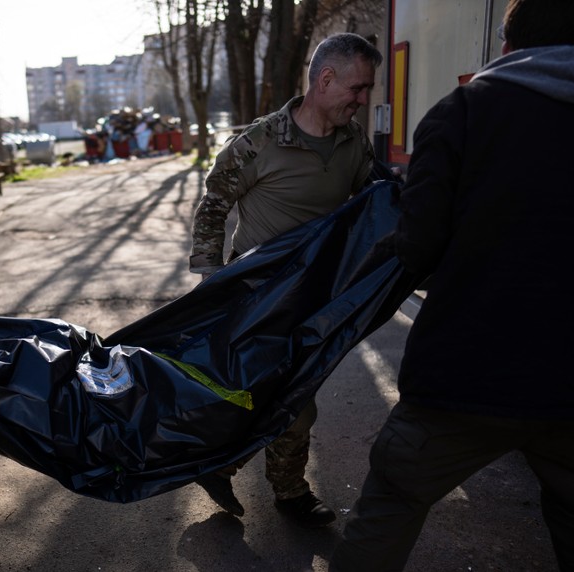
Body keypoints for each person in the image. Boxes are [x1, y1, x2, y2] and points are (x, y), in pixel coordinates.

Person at [330, 1, 574, 569]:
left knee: (392, 504)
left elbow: (418, 248)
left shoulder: (461, 112)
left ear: (505, 45)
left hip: (464, 372)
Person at [188, 32, 383, 527]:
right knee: (287, 398)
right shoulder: (260, 142)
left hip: (317, 296)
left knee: (291, 391)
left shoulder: (352, 141)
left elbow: (368, 203)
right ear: (325, 79)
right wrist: (212, 278)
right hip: (259, 295)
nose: (363, 101)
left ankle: (224, 464)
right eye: (357, 89)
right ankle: (289, 492)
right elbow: (213, 205)